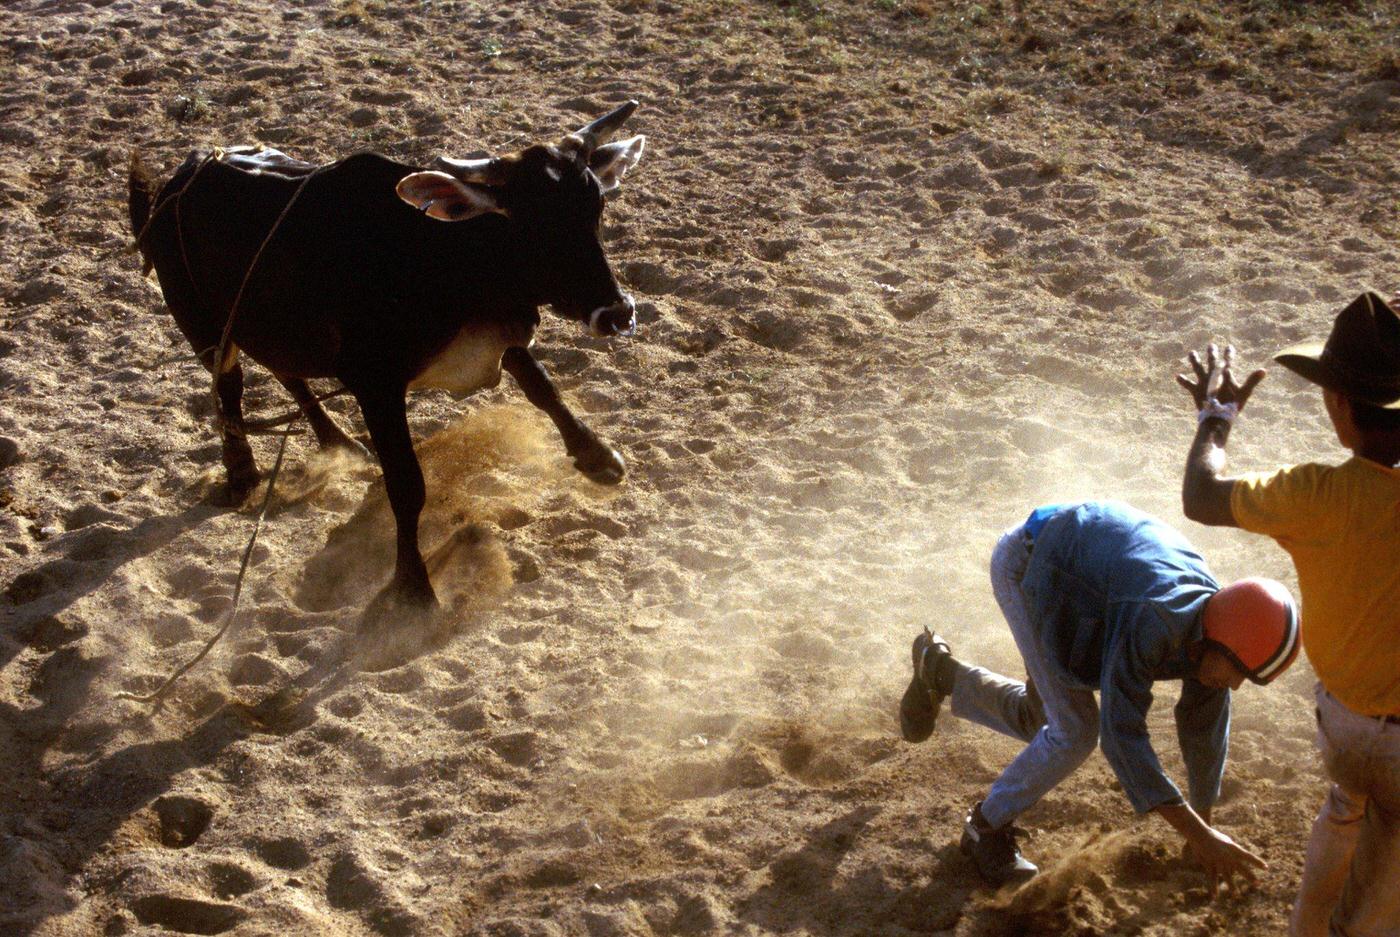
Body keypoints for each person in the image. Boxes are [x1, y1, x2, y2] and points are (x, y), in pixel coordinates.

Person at [900, 500, 1301, 890]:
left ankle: (940, 674)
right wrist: (1199, 836)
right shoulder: (1157, 619)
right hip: (1031, 564)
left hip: (1079, 583)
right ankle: (984, 828)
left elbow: (1203, 726)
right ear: (1223, 643)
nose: (1234, 685)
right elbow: (1121, 734)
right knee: (1074, 729)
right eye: (1239, 672)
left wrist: (1204, 827)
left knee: (1047, 720)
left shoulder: (1213, 625)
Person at [1176, 291, 1400, 937]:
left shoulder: (1315, 494)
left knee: (1345, 805)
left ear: (1337, 404)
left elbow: (1201, 493)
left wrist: (1216, 419)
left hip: (1341, 723)